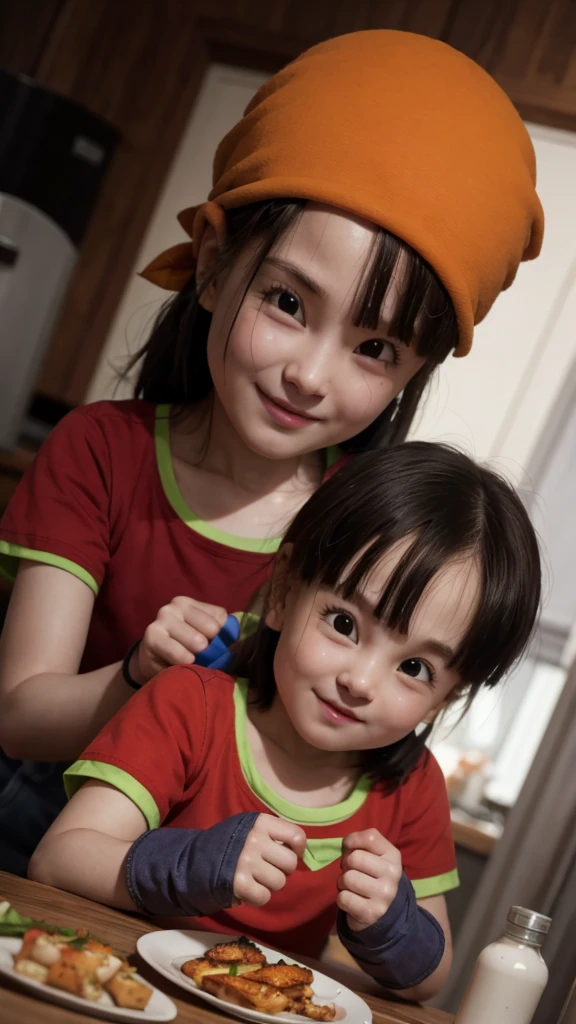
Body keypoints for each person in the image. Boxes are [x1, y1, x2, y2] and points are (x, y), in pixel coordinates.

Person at [0, 29, 543, 873]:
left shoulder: (371, 525)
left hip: (224, 891)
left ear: (411, 374)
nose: (311, 375)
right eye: (289, 301)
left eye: (375, 350)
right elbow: (21, 714)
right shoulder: (99, 453)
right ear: (215, 266)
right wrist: (139, 671)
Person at [29, 443, 542, 1001]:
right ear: (283, 592)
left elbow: (431, 980)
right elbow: (58, 858)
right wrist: (191, 863)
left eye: (415, 667)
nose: (361, 682)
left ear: (445, 698)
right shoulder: (189, 706)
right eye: (344, 623)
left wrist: (391, 927)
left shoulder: (411, 785)